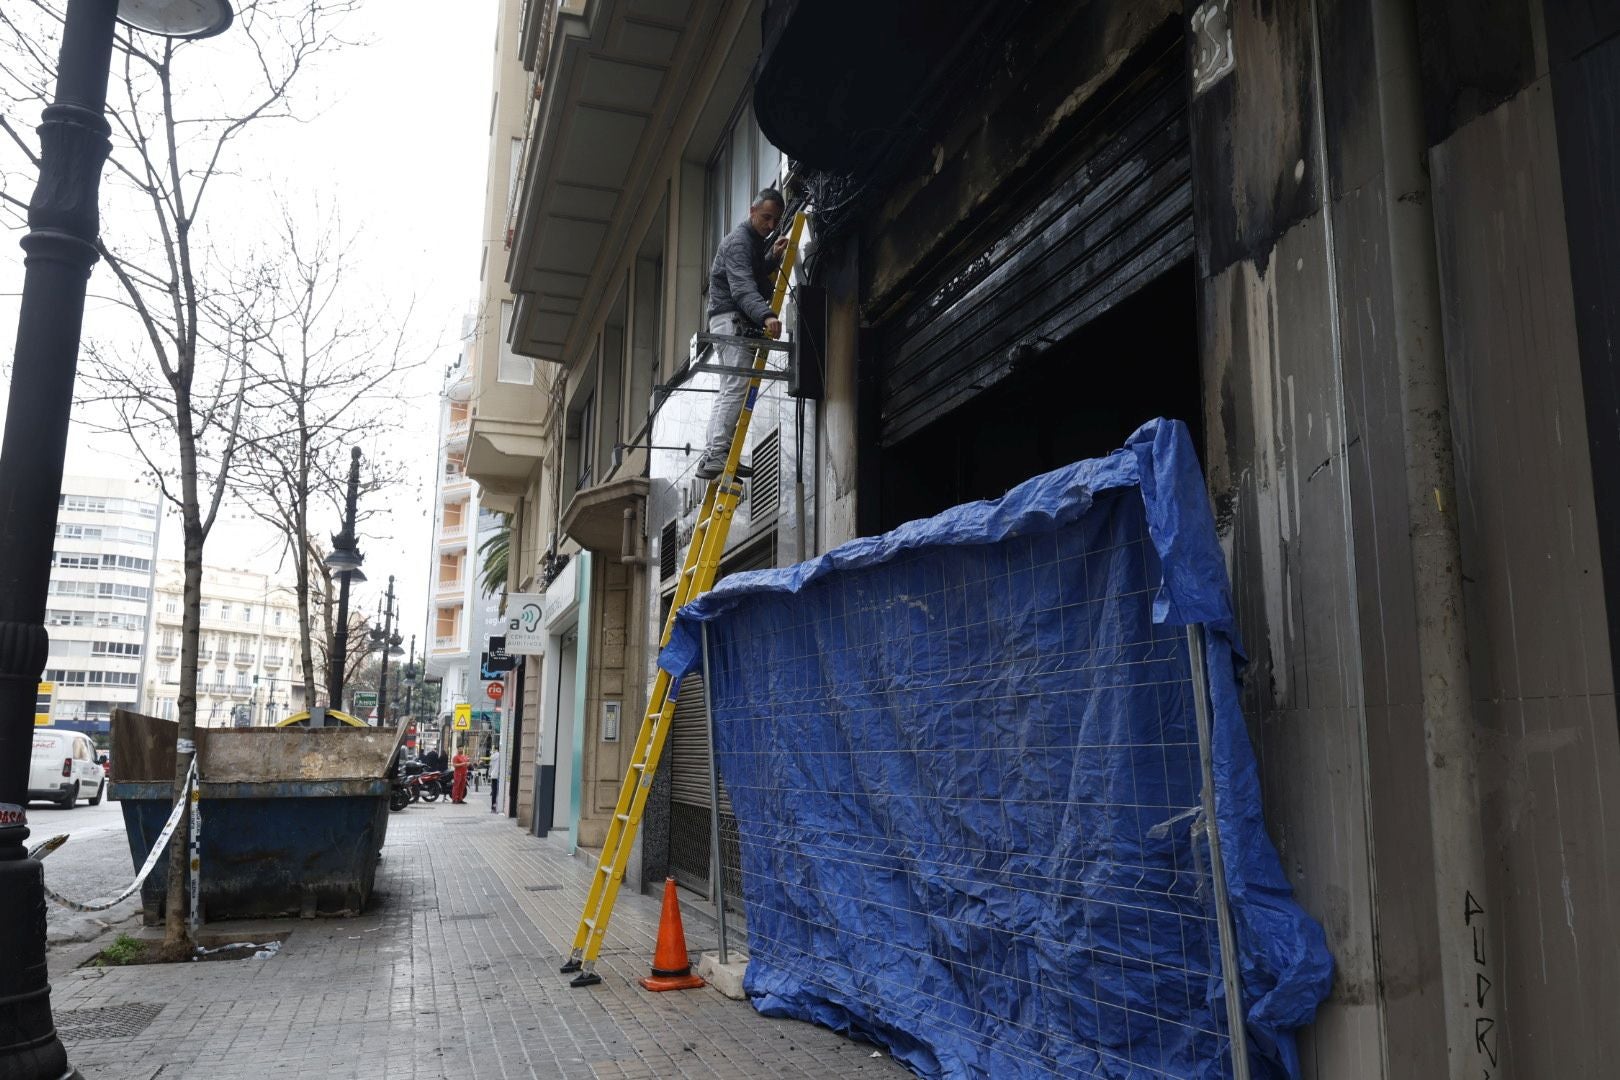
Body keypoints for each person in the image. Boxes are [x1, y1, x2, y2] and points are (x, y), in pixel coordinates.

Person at [696, 187, 790, 481]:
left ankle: (715, 454)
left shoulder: (751, 243)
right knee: (735, 386)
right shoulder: (739, 242)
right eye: (766, 218)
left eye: (776, 220)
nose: (771, 226)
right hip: (731, 320)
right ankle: (716, 454)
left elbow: (752, 274)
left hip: (728, 320)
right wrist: (767, 314)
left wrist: (771, 260)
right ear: (752, 212)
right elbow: (741, 287)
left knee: (730, 388)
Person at [488, 747, 502, 813]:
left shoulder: (494, 755)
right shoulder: (498, 754)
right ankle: (494, 806)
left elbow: (491, 764)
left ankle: (493, 806)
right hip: (496, 776)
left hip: (494, 775)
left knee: (494, 792)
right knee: (495, 792)